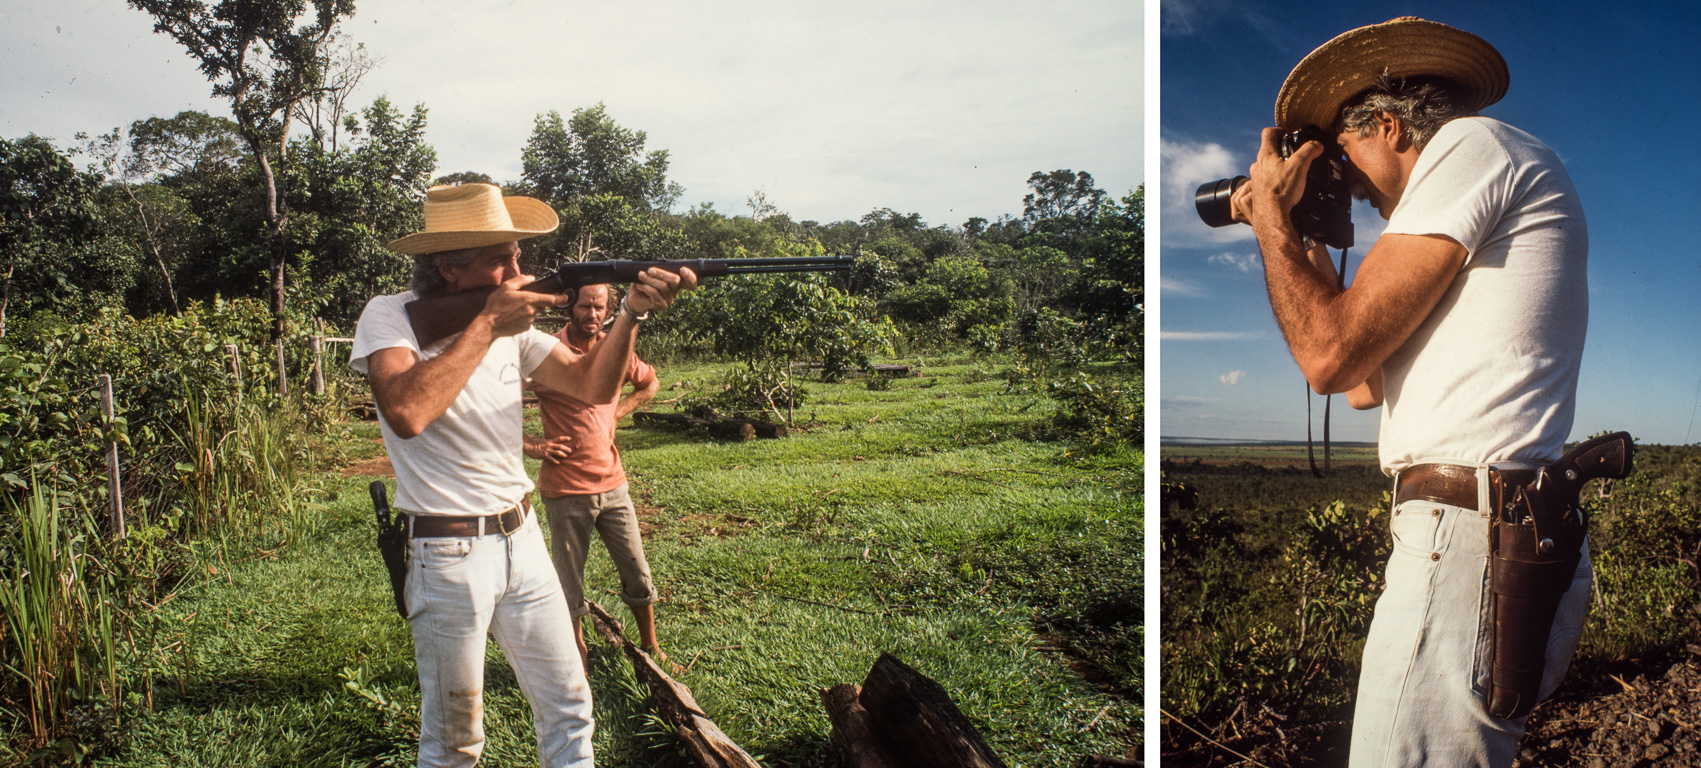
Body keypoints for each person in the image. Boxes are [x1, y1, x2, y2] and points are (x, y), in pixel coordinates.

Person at [1229, 17, 1591, 768]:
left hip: (1471, 533)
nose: (1347, 184)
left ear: (1388, 125)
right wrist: (1296, 236)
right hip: (1493, 528)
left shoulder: (1469, 146)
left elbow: (1328, 356)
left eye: (1342, 157)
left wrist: (1266, 216)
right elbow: (1360, 385)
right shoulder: (1486, 182)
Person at [349, 182, 694, 768]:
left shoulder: (514, 327)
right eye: (501, 258)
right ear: (450, 270)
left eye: (517, 254)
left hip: (524, 535)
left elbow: (591, 388)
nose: (520, 269)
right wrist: (485, 325)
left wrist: (631, 315)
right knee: (454, 742)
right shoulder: (389, 316)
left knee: (569, 707)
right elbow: (406, 412)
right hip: (447, 549)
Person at [522, 283, 666, 666]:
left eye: (600, 307)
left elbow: (649, 383)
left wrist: (620, 411)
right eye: (585, 306)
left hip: (613, 483)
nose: (592, 315)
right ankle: (577, 653)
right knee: (569, 583)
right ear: (571, 306)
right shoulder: (545, 352)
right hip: (565, 489)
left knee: (637, 570)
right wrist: (530, 444)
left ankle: (651, 646)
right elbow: (494, 401)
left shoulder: (615, 348)